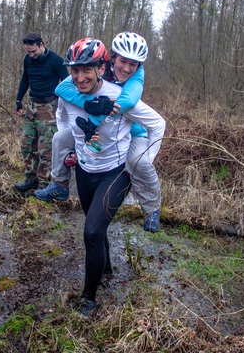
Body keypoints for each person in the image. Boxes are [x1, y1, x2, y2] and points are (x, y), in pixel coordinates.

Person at [56, 38, 165, 316]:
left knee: (91, 231)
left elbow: (157, 124)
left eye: (87, 70)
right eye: (75, 71)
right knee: (96, 224)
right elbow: (63, 119)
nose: (80, 77)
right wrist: (73, 148)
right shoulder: (67, 93)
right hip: (85, 170)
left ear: (101, 68)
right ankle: (105, 269)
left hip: (116, 172)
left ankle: (89, 298)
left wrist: (142, 161)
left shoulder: (119, 97)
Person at [34, 31, 163, 232]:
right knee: (60, 137)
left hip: (133, 131)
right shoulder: (94, 69)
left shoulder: (132, 82)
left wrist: (147, 156)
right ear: (112, 59)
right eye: (123, 61)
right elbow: (61, 90)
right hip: (100, 131)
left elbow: (128, 104)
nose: (127, 68)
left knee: (141, 161)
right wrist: (89, 106)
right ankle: (60, 184)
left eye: (133, 64)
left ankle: (152, 209)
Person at [14, 33, 69, 190]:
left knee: (45, 148)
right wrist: (18, 100)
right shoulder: (28, 60)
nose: (31, 55)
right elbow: (25, 79)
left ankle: (44, 184)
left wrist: (63, 108)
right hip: (32, 107)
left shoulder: (56, 61)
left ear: (41, 45)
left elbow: (67, 84)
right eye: (28, 52)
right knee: (27, 144)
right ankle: (31, 178)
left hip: (49, 107)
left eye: (34, 51)